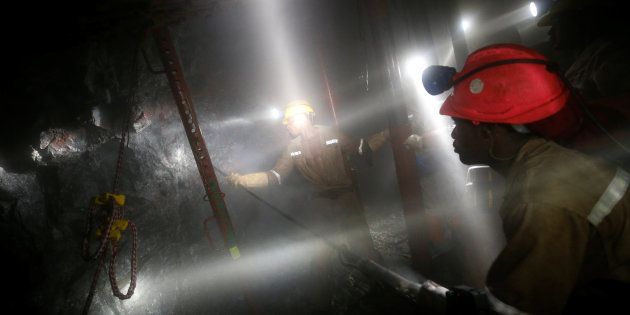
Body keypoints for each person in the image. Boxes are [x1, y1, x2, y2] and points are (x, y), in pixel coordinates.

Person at [416, 44, 630, 314]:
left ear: (488, 133)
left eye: (458, 124)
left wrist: (457, 306)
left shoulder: (540, 196)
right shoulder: (546, 162)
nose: (453, 135)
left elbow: (522, 308)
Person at [227, 100, 385, 309]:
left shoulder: (331, 134)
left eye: (289, 120)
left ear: (303, 117)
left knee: (366, 250)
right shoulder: (293, 148)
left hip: (346, 196)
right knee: (320, 258)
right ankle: (321, 305)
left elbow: (362, 147)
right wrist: (244, 179)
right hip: (321, 201)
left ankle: (383, 289)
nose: (286, 124)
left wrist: (389, 132)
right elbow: (275, 175)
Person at [538, 0, 630, 100]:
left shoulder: (611, 54)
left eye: (556, 22)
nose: (550, 32)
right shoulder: (588, 57)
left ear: (576, 19)